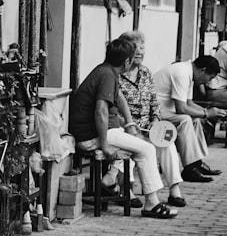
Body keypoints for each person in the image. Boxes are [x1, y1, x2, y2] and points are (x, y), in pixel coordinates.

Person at [68, 38, 176, 219]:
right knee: (147, 148)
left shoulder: (105, 71)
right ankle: (152, 203)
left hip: (99, 131)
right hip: (91, 135)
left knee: (137, 144)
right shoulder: (107, 75)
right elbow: (101, 111)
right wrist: (104, 145)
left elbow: (118, 99)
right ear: (126, 61)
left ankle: (112, 180)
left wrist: (129, 124)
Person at [117, 31, 191, 207]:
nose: (140, 52)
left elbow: (153, 101)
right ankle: (126, 191)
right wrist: (128, 125)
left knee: (168, 143)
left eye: (142, 47)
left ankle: (174, 190)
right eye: (135, 48)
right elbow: (112, 108)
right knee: (129, 148)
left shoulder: (145, 72)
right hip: (127, 127)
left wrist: (155, 120)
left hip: (148, 127)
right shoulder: (117, 75)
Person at [153, 56, 227, 179]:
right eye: (210, 77)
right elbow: (181, 109)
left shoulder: (188, 72)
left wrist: (208, 112)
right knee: (185, 120)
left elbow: (189, 103)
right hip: (155, 113)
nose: (208, 82)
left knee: (195, 119)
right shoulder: (182, 73)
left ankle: (196, 163)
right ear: (202, 70)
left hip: (165, 110)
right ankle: (190, 168)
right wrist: (208, 113)